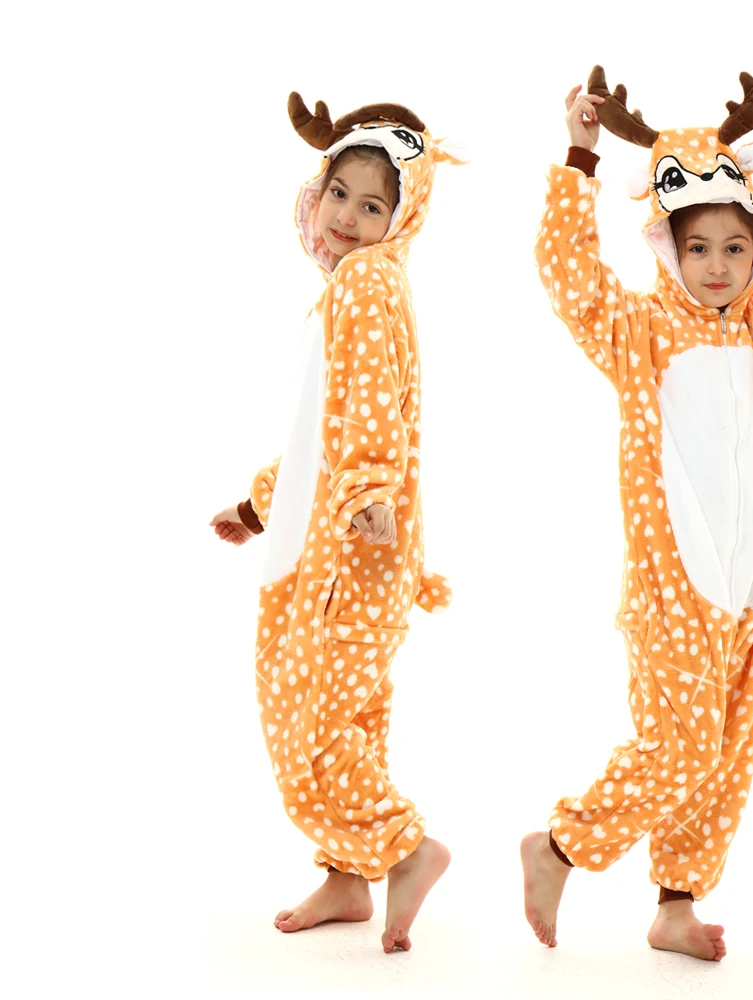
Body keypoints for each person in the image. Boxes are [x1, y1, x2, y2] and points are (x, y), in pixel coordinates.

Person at [521, 51, 753, 961]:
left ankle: (676, 901)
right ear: (666, 247)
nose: (717, 265)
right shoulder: (641, 332)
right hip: (673, 586)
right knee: (683, 747)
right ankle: (560, 846)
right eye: (697, 247)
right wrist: (579, 157)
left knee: (727, 753)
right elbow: (568, 272)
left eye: (735, 246)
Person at [209, 94, 465, 954]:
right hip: (353, 539)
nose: (350, 217)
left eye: (374, 204)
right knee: (351, 718)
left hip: (353, 547)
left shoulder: (364, 281)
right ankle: (348, 879)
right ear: (315, 194)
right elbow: (320, 429)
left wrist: (367, 493)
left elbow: (367, 413)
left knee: (308, 716)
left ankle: (403, 849)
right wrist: (260, 505)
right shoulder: (360, 289)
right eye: (340, 195)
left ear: (403, 216)